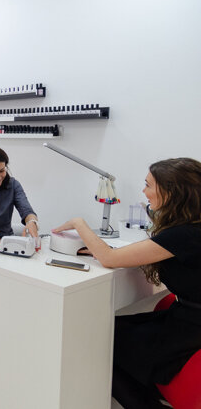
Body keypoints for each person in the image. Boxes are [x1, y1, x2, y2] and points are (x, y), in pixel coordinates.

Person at [54, 158, 201, 409]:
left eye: (148, 185)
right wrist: (108, 251)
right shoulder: (191, 228)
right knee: (111, 330)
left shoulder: (183, 234)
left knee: (100, 340)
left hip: (190, 326)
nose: (143, 191)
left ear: (171, 193)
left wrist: (79, 223)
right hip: (186, 315)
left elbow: (109, 259)